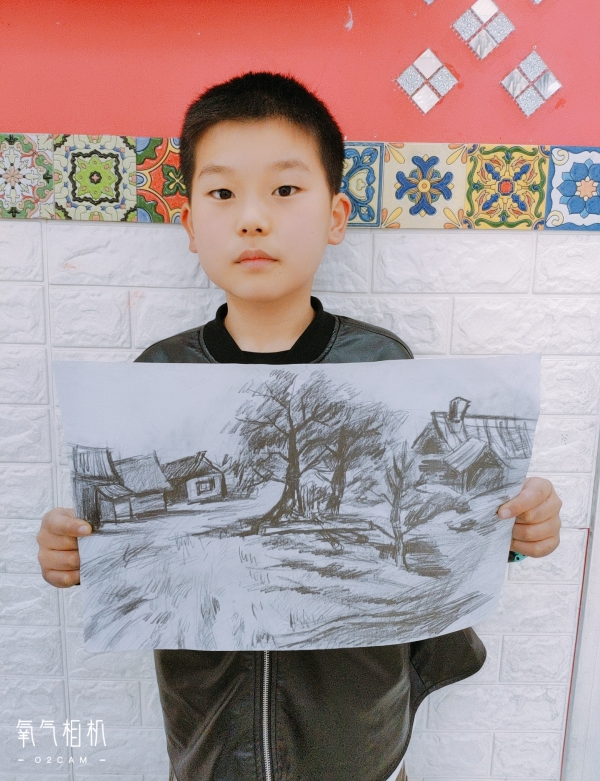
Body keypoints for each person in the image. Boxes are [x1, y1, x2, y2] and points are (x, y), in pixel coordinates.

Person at [36, 72, 562, 781]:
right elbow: (124, 545)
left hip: (362, 744)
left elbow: (429, 511)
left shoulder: (382, 364)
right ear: (188, 224)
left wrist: (512, 533)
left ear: (336, 216)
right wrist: (75, 551)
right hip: (209, 741)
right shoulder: (157, 376)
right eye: (222, 193)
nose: (253, 218)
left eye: (285, 189)